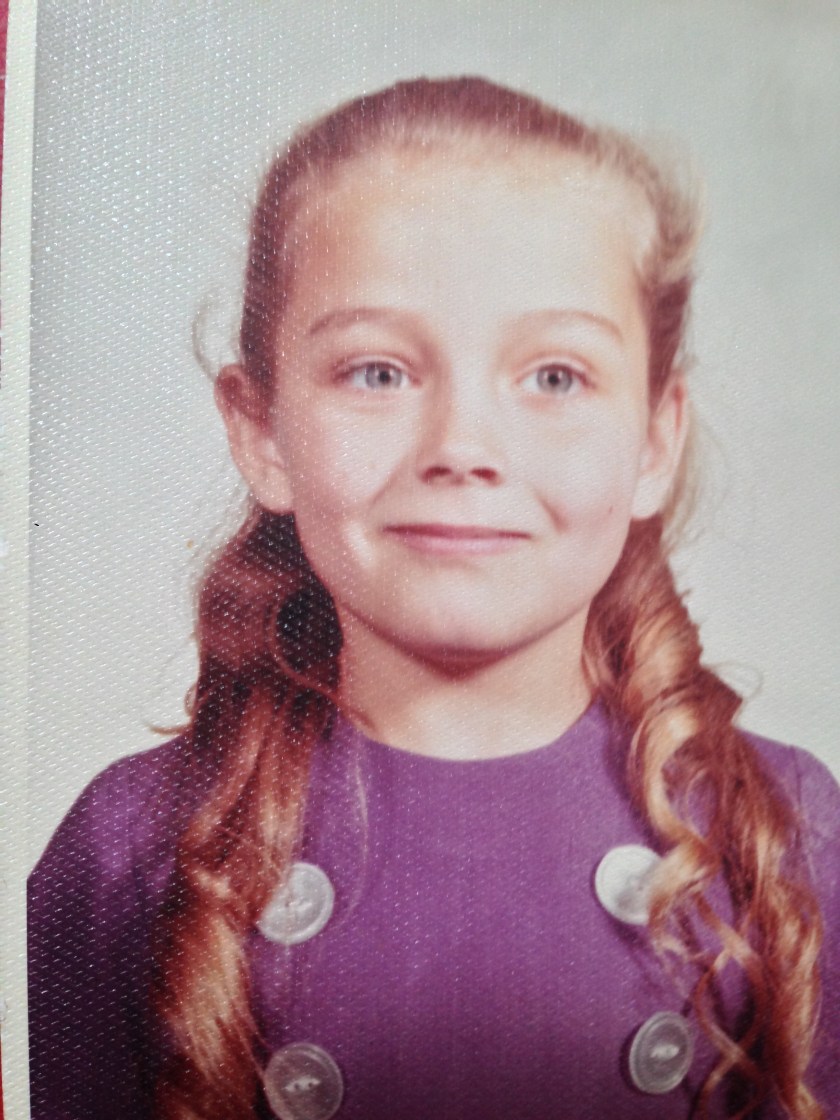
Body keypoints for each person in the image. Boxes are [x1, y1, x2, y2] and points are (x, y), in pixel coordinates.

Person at [28, 76, 840, 1120]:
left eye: (554, 377)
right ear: (261, 431)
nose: (462, 448)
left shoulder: (785, 836)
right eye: (377, 372)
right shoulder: (132, 848)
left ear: (653, 440)